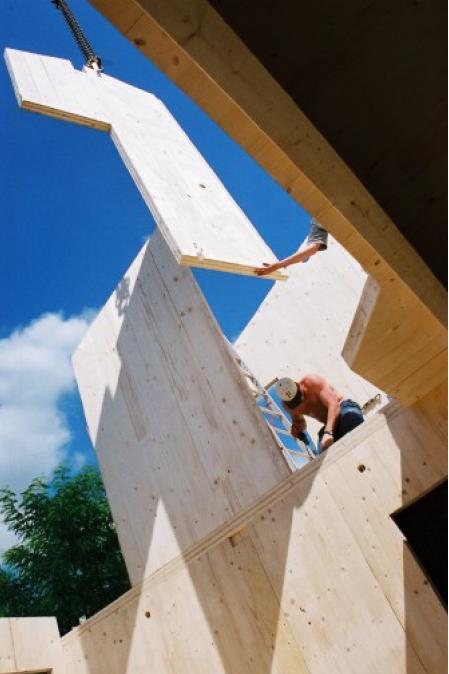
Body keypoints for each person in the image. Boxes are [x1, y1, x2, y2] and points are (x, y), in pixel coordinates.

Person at [275, 375, 364, 452]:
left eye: (298, 397)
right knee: (323, 450)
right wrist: (297, 428)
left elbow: (334, 405)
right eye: (294, 402)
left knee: (350, 418)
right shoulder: (288, 406)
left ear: (298, 385)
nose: (299, 402)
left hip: (342, 409)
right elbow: (300, 422)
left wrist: (328, 432)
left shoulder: (312, 382)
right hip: (330, 425)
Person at [256, 218, 328, 276]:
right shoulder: (318, 219)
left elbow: (311, 250)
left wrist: (278, 265)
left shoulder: (318, 219)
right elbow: (311, 250)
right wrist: (279, 265)